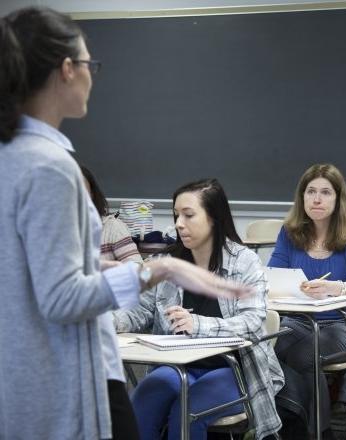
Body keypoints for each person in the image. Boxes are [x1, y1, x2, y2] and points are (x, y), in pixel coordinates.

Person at [0, 8, 247, 439]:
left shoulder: (13, 157)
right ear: (66, 70)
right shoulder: (51, 168)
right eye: (90, 65)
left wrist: (121, 271)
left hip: (25, 370)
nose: (93, 77)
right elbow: (60, 298)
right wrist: (159, 269)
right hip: (59, 375)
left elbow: (32, 270)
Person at [114, 178, 283, 440]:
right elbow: (140, 312)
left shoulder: (244, 262)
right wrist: (107, 322)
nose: (179, 223)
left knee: (186, 413)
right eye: (176, 215)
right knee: (141, 405)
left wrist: (197, 325)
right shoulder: (167, 262)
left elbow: (252, 322)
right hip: (178, 367)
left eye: (189, 215)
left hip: (235, 369)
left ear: (214, 217)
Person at [268, 163, 346, 440]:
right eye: (311, 191)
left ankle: (318, 431)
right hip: (299, 321)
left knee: (304, 357)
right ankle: (288, 423)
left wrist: (333, 288)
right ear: (301, 197)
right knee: (265, 351)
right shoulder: (290, 233)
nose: (317, 199)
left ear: (339, 199)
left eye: (326, 192)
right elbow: (273, 276)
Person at [80, 164, 143, 264]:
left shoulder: (111, 227)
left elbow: (136, 268)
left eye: (81, 191)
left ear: (92, 194)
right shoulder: (51, 231)